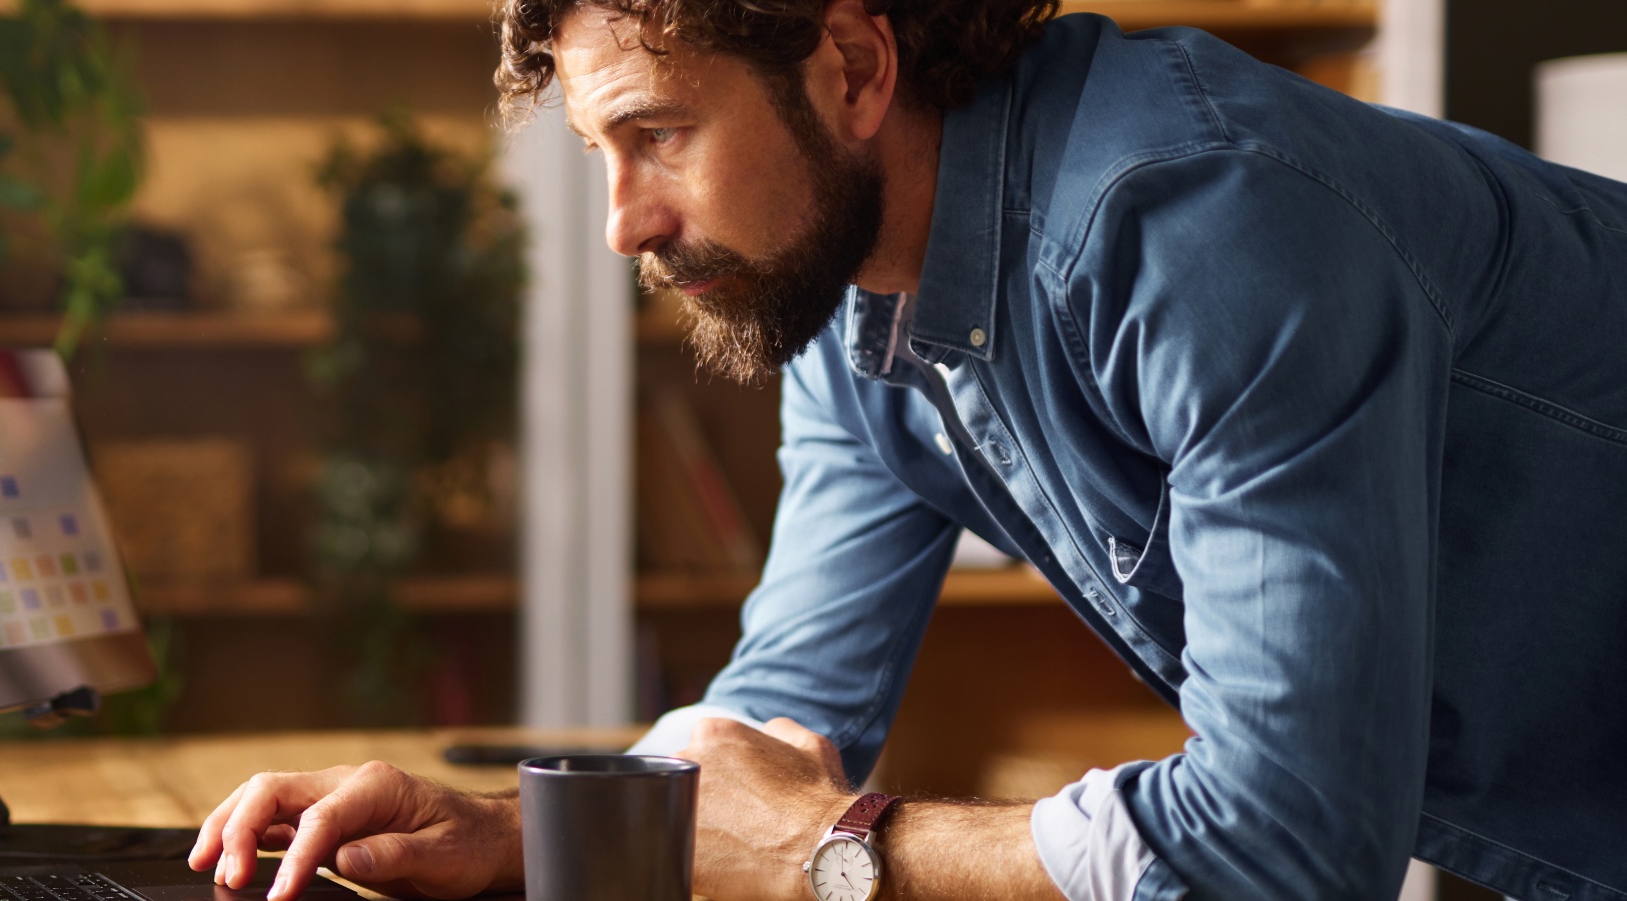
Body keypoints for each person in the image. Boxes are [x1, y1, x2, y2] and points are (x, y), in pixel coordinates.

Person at [187, 0, 1627, 898]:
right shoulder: (844, 287)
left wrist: (836, 853)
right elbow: (783, 713)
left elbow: (1280, 851)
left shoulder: (1197, 223)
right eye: (596, 154)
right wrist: (508, 834)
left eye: (660, 133)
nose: (622, 219)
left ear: (853, 65)